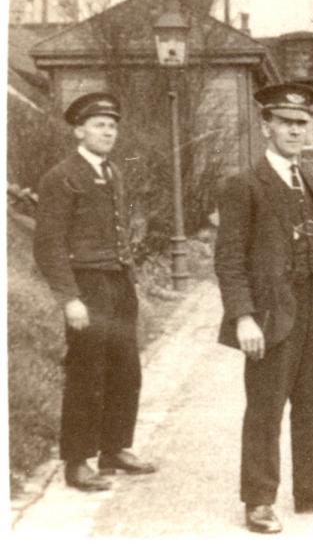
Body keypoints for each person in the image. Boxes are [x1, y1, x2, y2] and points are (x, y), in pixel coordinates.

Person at [214, 83, 313, 535]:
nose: (297, 131)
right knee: (265, 408)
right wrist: (242, 315)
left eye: (303, 123)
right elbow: (229, 258)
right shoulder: (243, 185)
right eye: (287, 123)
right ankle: (259, 500)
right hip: (268, 317)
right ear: (267, 127)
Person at [33, 92, 157, 492]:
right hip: (87, 284)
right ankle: (77, 461)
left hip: (118, 281)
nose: (108, 131)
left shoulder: (113, 172)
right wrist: (69, 298)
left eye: (113, 126)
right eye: (100, 125)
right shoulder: (62, 176)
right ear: (79, 130)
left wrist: (131, 281)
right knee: (87, 371)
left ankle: (115, 448)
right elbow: (48, 243)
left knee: (126, 367)